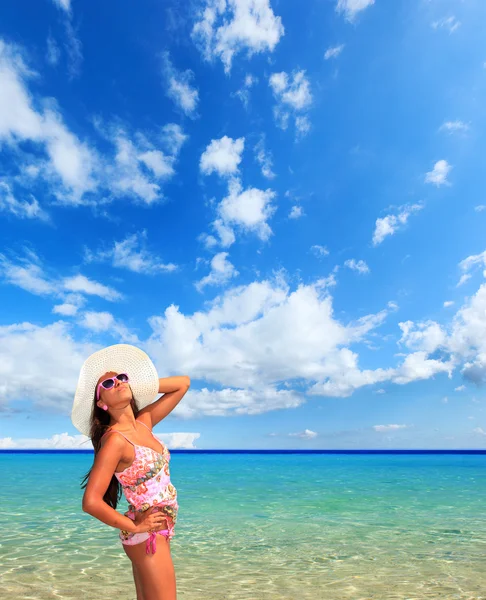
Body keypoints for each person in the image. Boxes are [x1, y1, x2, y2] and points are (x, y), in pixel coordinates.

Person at [71, 343, 190, 600]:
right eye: (108, 384)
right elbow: (91, 502)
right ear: (100, 403)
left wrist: (139, 383)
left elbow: (183, 383)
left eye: (121, 378)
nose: (118, 383)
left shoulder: (144, 423)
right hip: (147, 532)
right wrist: (135, 527)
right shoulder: (115, 441)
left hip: (156, 530)